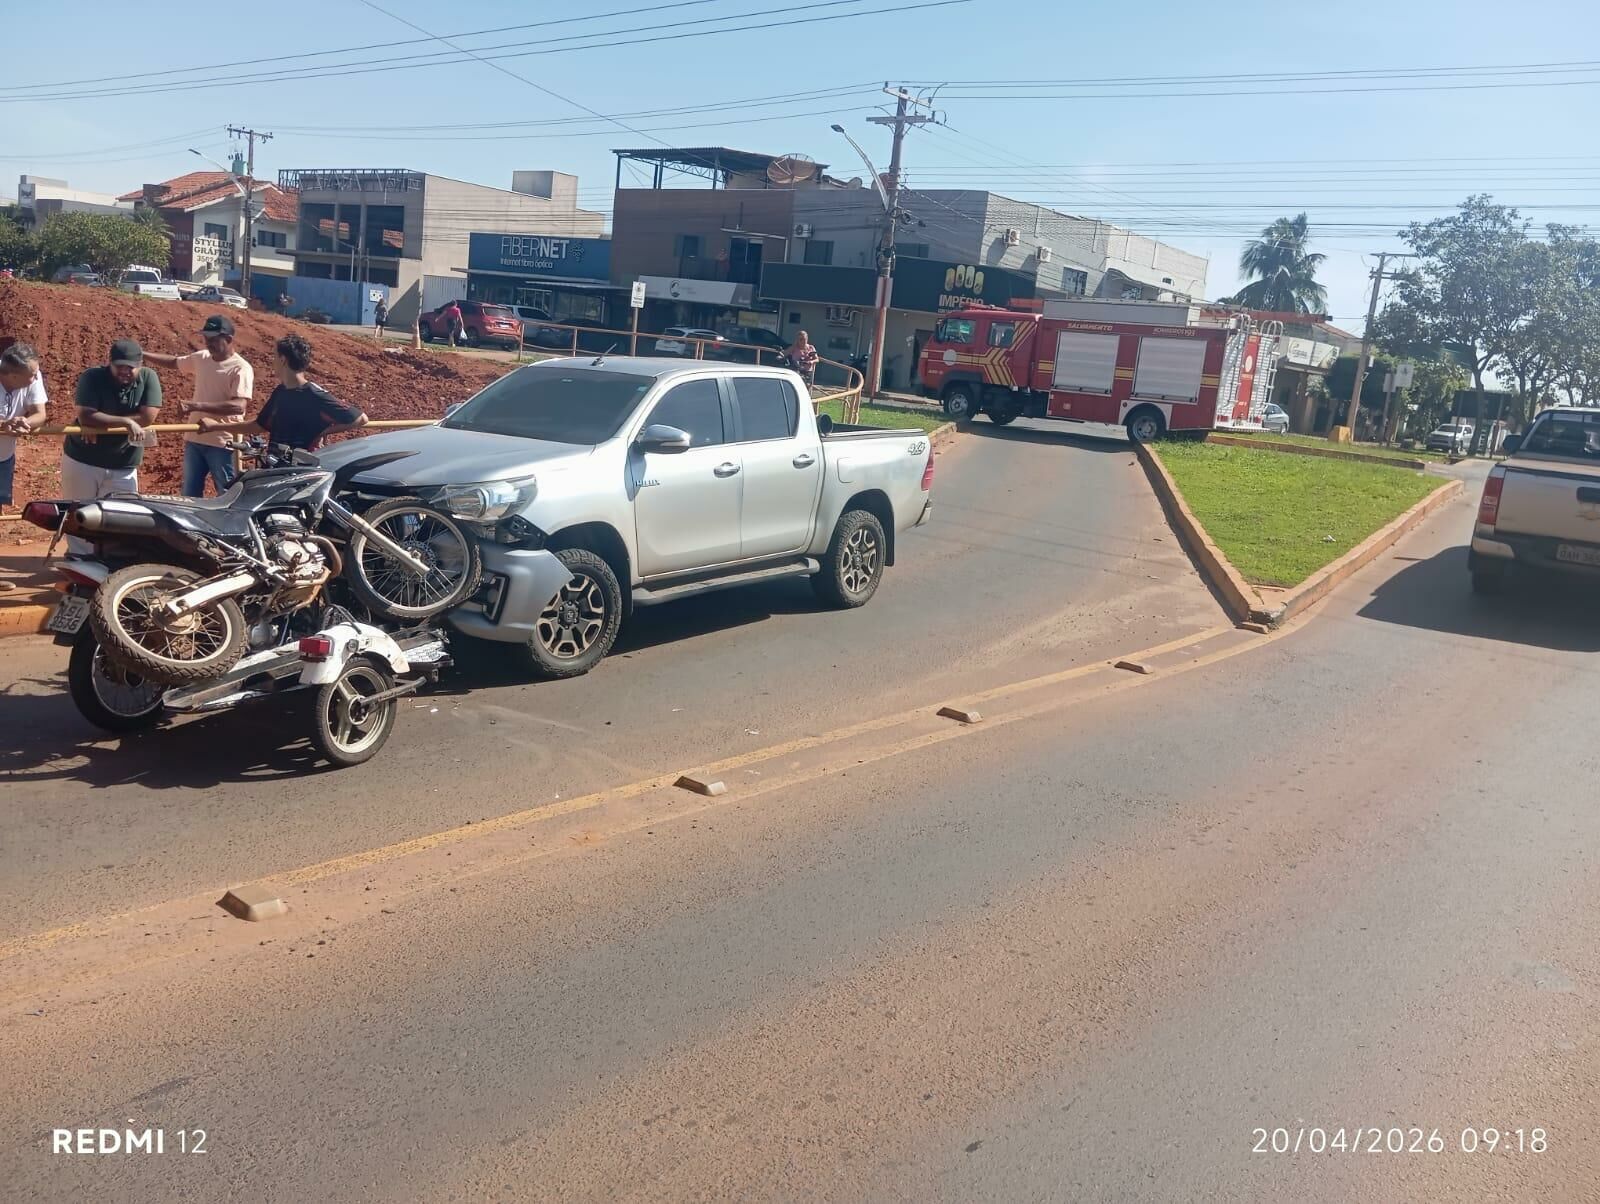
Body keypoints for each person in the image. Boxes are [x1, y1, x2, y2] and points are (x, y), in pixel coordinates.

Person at [62, 340, 162, 552]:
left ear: (141, 365)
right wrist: (126, 422)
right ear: (109, 363)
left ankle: (112, 560)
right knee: (80, 510)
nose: (125, 371)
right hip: (83, 459)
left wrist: (101, 420)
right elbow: (86, 415)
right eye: (120, 366)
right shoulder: (92, 376)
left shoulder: (149, 378)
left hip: (123, 462)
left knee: (121, 514)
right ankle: (79, 557)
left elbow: (148, 417)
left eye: (130, 367)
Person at [143, 314, 254, 498]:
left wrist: (196, 406)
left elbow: (238, 406)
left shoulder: (241, 368)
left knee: (226, 494)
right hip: (195, 437)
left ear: (228, 339)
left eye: (213, 339)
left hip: (223, 442)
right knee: (189, 494)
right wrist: (145, 355)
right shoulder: (202, 357)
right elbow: (174, 362)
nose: (208, 343)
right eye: (206, 338)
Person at [198, 334, 367, 452]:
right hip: (277, 467)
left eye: (274, 356)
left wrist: (322, 432)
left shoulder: (315, 395)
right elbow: (259, 426)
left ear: (283, 359)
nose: (273, 362)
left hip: (299, 472)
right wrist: (215, 426)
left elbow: (360, 418)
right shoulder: (280, 392)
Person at [0, 342, 49, 512]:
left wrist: (24, 422)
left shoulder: (33, 375)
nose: (36, 378)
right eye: (32, 375)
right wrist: (3, 425)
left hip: (3, 457)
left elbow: (40, 414)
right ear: (13, 376)